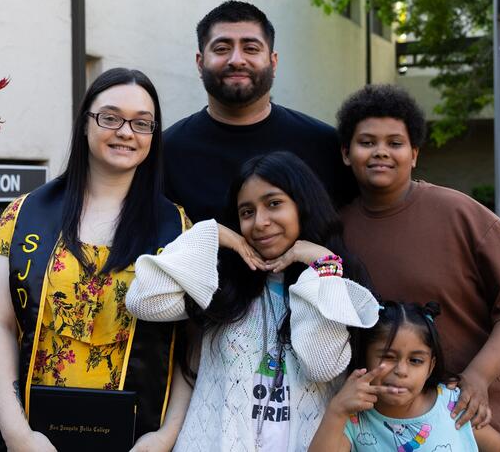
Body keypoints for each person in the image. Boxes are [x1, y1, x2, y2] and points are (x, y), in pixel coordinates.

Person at [0, 68, 191, 451]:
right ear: (86, 123)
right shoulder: (22, 216)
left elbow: (191, 344)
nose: (126, 132)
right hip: (25, 435)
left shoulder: (177, 228)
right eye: (110, 117)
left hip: (137, 438)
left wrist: (165, 437)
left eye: (142, 123)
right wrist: (18, 435)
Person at [126, 151, 380, 451]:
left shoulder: (338, 285)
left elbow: (321, 365)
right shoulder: (226, 286)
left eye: (274, 204)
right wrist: (210, 233)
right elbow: (144, 301)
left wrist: (322, 266)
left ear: (304, 205)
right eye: (246, 212)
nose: (259, 222)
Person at [337, 85, 500, 440]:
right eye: (367, 142)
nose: (381, 153)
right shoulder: (336, 230)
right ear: (346, 153)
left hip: (470, 419)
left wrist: (478, 375)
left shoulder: (462, 215)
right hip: (378, 429)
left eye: (395, 143)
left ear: (414, 153)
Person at [163, 0, 356, 223]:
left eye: (251, 49)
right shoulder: (166, 153)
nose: (236, 60)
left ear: (273, 62)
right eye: (222, 49)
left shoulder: (325, 145)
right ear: (200, 62)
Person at [309, 302, 500, 452]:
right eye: (388, 357)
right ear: (364, 357)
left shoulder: (453, 405)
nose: (401, 371)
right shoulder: (353, 420)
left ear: (431, 366)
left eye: (415, 361)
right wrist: (337, 410)